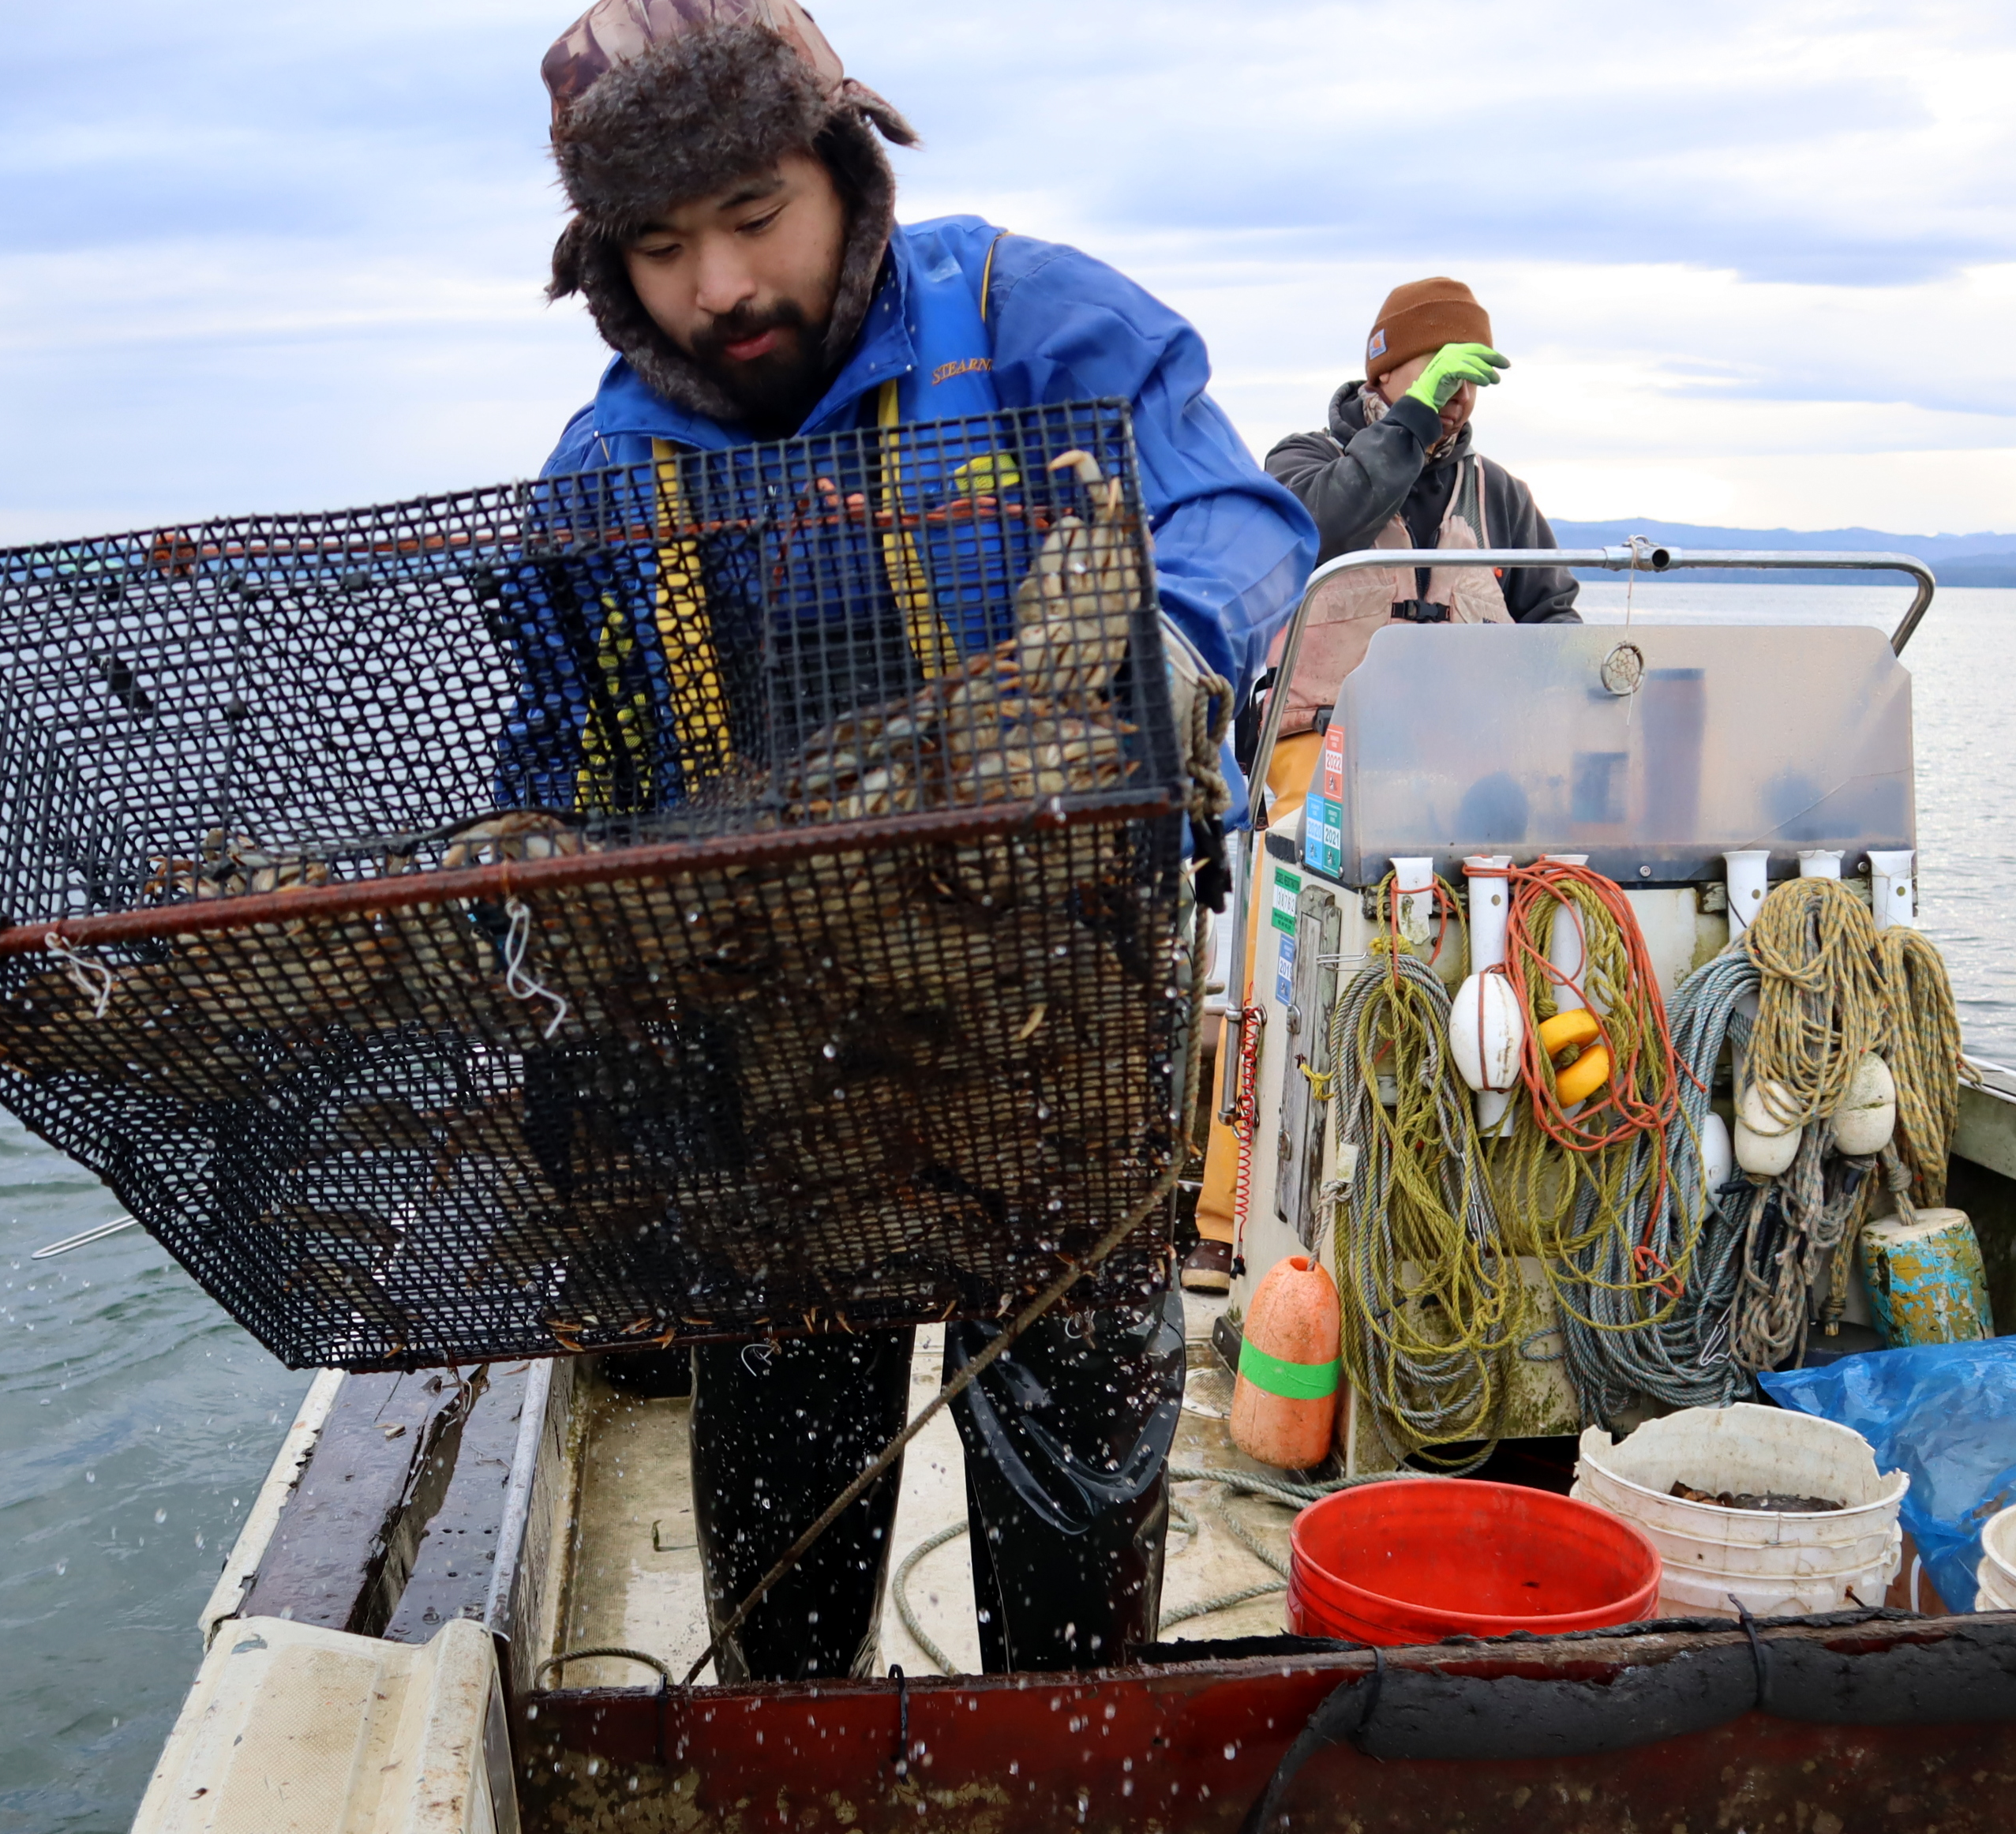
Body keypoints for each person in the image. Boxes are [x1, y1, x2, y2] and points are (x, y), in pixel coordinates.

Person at [530, 0, 1318, 1680]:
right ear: (608, 268)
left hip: (1061, 1061)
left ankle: (1059, 1743)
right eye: (662, 248)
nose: (720, 286)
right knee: (785, 1542)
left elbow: (1237, 514)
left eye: (755, 218)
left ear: (843, 167)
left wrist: (1161, 664)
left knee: (1071, 1554)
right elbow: (562, 772)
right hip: (784, 1105)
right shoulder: (604, 472)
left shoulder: (1026, 323)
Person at [1186, 278, 1581, 1291]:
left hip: (1465, 774)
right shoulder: (1300, 466)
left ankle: (1482, 1199)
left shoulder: (1501, 498)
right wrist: (1406, 425)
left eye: (1470, 377)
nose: (1458, 398)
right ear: (1382, 370)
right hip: (1312, 759)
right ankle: (1226, 1217)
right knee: (1279, 964)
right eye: (1438, 372)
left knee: (1548, 905)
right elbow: (1317, 525)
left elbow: (1553, 622)